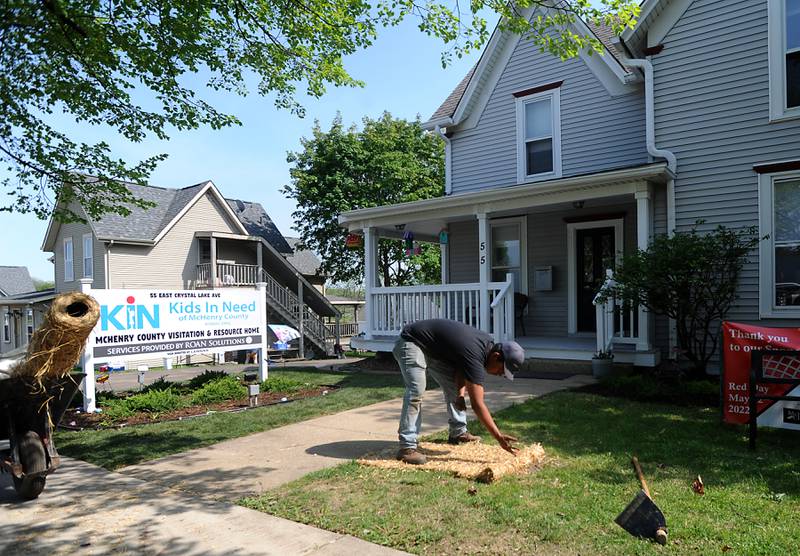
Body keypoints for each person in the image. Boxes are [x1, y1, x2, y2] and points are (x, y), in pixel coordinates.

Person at [392, 318, 526, 465]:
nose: (500, 374)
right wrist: (498, 437)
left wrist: (460, 395)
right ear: (496, 357)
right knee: (416, 391)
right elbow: (478, 405)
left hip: (432, 349)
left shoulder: (484, 348)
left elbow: (461, 367)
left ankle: (458, 432)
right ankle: (407, 448)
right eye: (502, 370)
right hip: (411, 342)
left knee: (452, 386)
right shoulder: (476, 355)